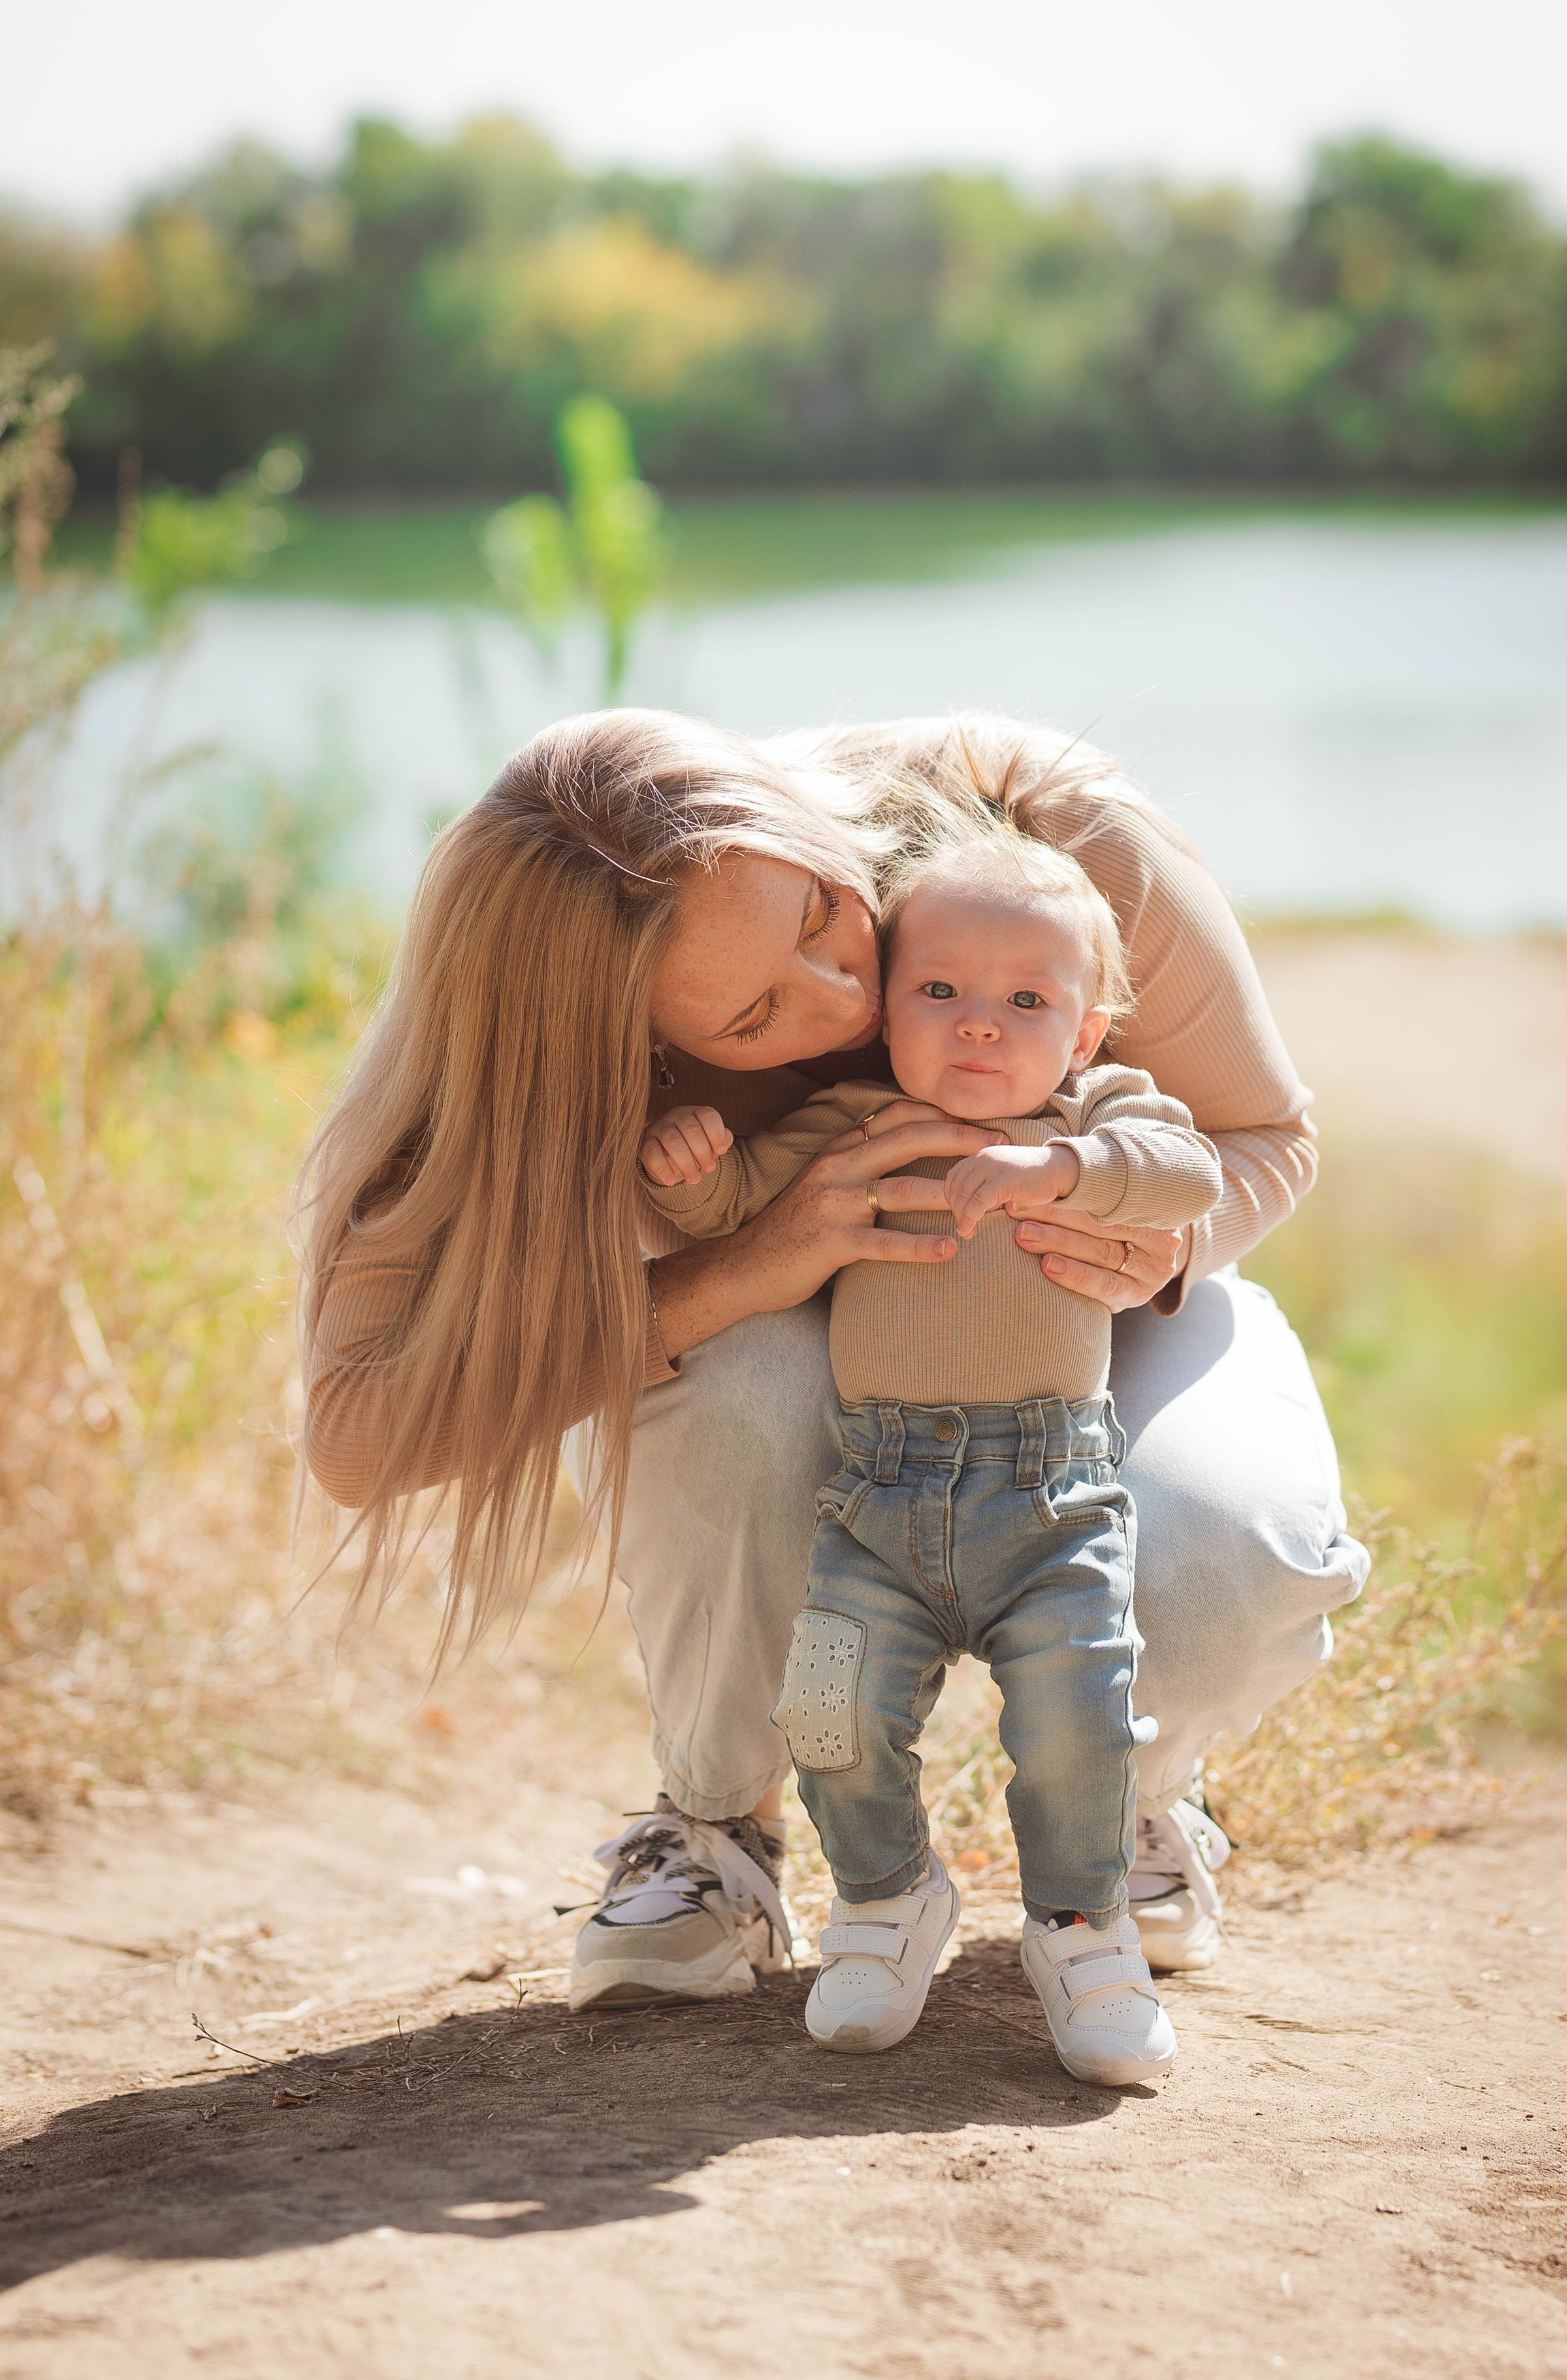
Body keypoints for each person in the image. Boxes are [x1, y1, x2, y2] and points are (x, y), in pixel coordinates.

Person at [299, 709, 1368, 2014]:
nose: (846, 1000)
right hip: (798, 1352)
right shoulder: (526, 1054)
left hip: (1092, 1323)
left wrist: (1152, 1247)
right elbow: (357, 1441)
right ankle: (719, 1823)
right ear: (626, 1039)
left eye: (822, 913)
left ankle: (1131, 1800)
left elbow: (1264, 1135)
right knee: (738, 1392)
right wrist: (735, 1272)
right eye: (756, 1014)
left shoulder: (1046, 841)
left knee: (1225, 1539)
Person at [638, 818, 1223, 2083]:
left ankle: (1082, 1928)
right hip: (876, 1496)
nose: (978, 1027)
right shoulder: (853, 1123)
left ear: (1084, 1032)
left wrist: (1066, 1165)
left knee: (1078, 1724)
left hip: (1052, 1494)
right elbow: (735, 1208)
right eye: (940, 992)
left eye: (1026, 1002)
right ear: (889, 1010)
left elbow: (1187, 1174)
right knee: (829, 1712)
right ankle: (886, 1896)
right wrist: (688, 1176)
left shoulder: (1096, 1115)